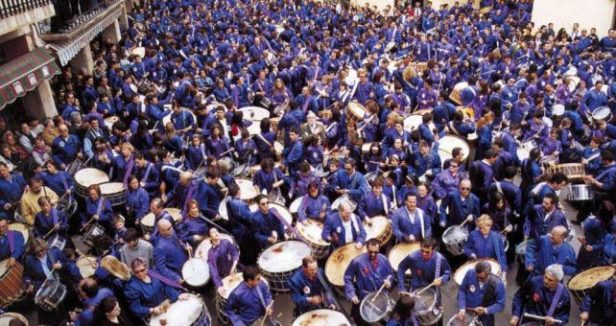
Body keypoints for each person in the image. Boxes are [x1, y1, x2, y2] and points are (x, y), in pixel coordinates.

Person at [344, 238, 395, 326]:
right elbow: (348, 277)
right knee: (361, 321)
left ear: (379, 249)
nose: (373, 254)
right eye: (370, 251)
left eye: (376, 252)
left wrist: (389, 282)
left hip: (381, 296)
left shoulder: (384, 260)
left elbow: (390, 274)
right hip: (364, 297)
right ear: (367, 249)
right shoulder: (357, 261)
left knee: (380, 318)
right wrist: (352, 294)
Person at [124, 257, 190, 320]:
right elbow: (135, 307)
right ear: (133, 272)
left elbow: (165, 286)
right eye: (137, 272)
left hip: (166, 305)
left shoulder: (154, 274)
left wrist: (177, 295)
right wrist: (150, 310)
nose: (140, 273)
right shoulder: (131, 287)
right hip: (153, 314)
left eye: (142, 270)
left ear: (146, 268)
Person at [456, 260, 506, 326]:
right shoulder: (470, 273)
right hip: (468, 312)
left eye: (482, 278)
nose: (479, 280)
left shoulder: (498, 284)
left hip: (485, 317)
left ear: (489, 274)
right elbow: (462, 290)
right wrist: (462, 308)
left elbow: (500, 304)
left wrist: (486, 310)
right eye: (477, 277)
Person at [153, 219, 189, 284]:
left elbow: (179, 241)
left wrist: (185, 247)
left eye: (171, 226)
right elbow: (161, 268)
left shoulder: (172, 233)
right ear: (161, 231)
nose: (172, 229)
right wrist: (176, 278)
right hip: (179, 274)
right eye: (168, 228)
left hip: (186, 265)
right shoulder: (159, 248)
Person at [208, 228, 240, 292]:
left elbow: (235, 253)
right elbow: (213, 270)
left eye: (217, 231)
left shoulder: (226, 242)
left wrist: (233, 267)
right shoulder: (210, 253)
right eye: (213, 232)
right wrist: (219, 285)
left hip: (233, 272)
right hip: (222, 277)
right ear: (210, 238)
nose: (216, 233)